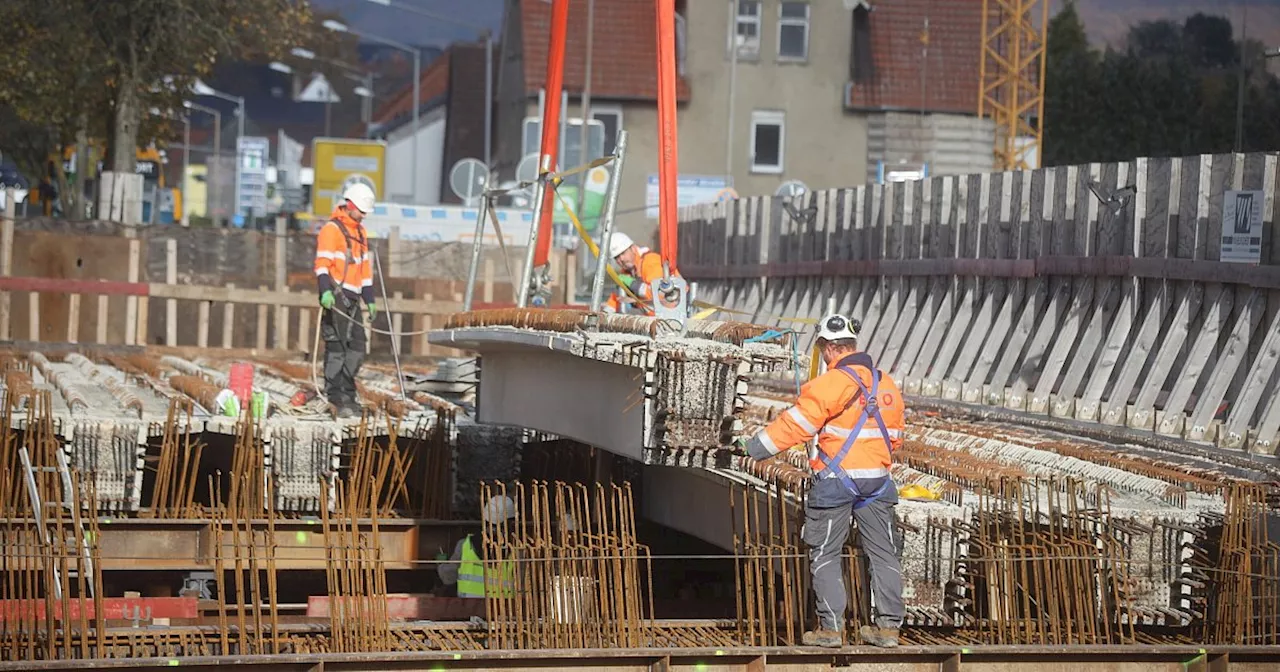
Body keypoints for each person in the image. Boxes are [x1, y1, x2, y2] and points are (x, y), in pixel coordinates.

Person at [740, 313, 906, 649]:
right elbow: (897, 437)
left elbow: (794, 426)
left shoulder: (830, 384)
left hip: (836, 482)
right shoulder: (885, 383)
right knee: (884, 554)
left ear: (828, 348)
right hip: (878, 482)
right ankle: (888, 629)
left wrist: (754, 448)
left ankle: (831, 630)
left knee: (826, 554)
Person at [314, 183, 378, 419]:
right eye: (361, 211)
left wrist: (369, 298)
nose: (363, 216)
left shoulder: (360, 233)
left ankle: (349, 393)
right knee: (337, 347)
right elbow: (322, 264)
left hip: (354, 296)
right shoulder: (331, 230)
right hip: (336, 294)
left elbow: (365, 269)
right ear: (350, 205)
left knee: (358, 347)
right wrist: (324, 292)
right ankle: (335, 396)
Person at [438, 495, 517, 599]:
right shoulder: (517, 550)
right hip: (504, 611)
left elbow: (448, 578)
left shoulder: (465, 545)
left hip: (469, 610)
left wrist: (440, 564)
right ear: (511, 522)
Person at [602, 232, 676, 315]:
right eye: (617, 257)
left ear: (633, 248)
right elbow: (615, 299)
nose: (621, 259)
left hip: (673, 315)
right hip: (654, 318)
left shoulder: (650, 261)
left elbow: (660, 294)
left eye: (623, 253)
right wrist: (605, 313)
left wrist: (633, 284)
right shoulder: (628, 271)